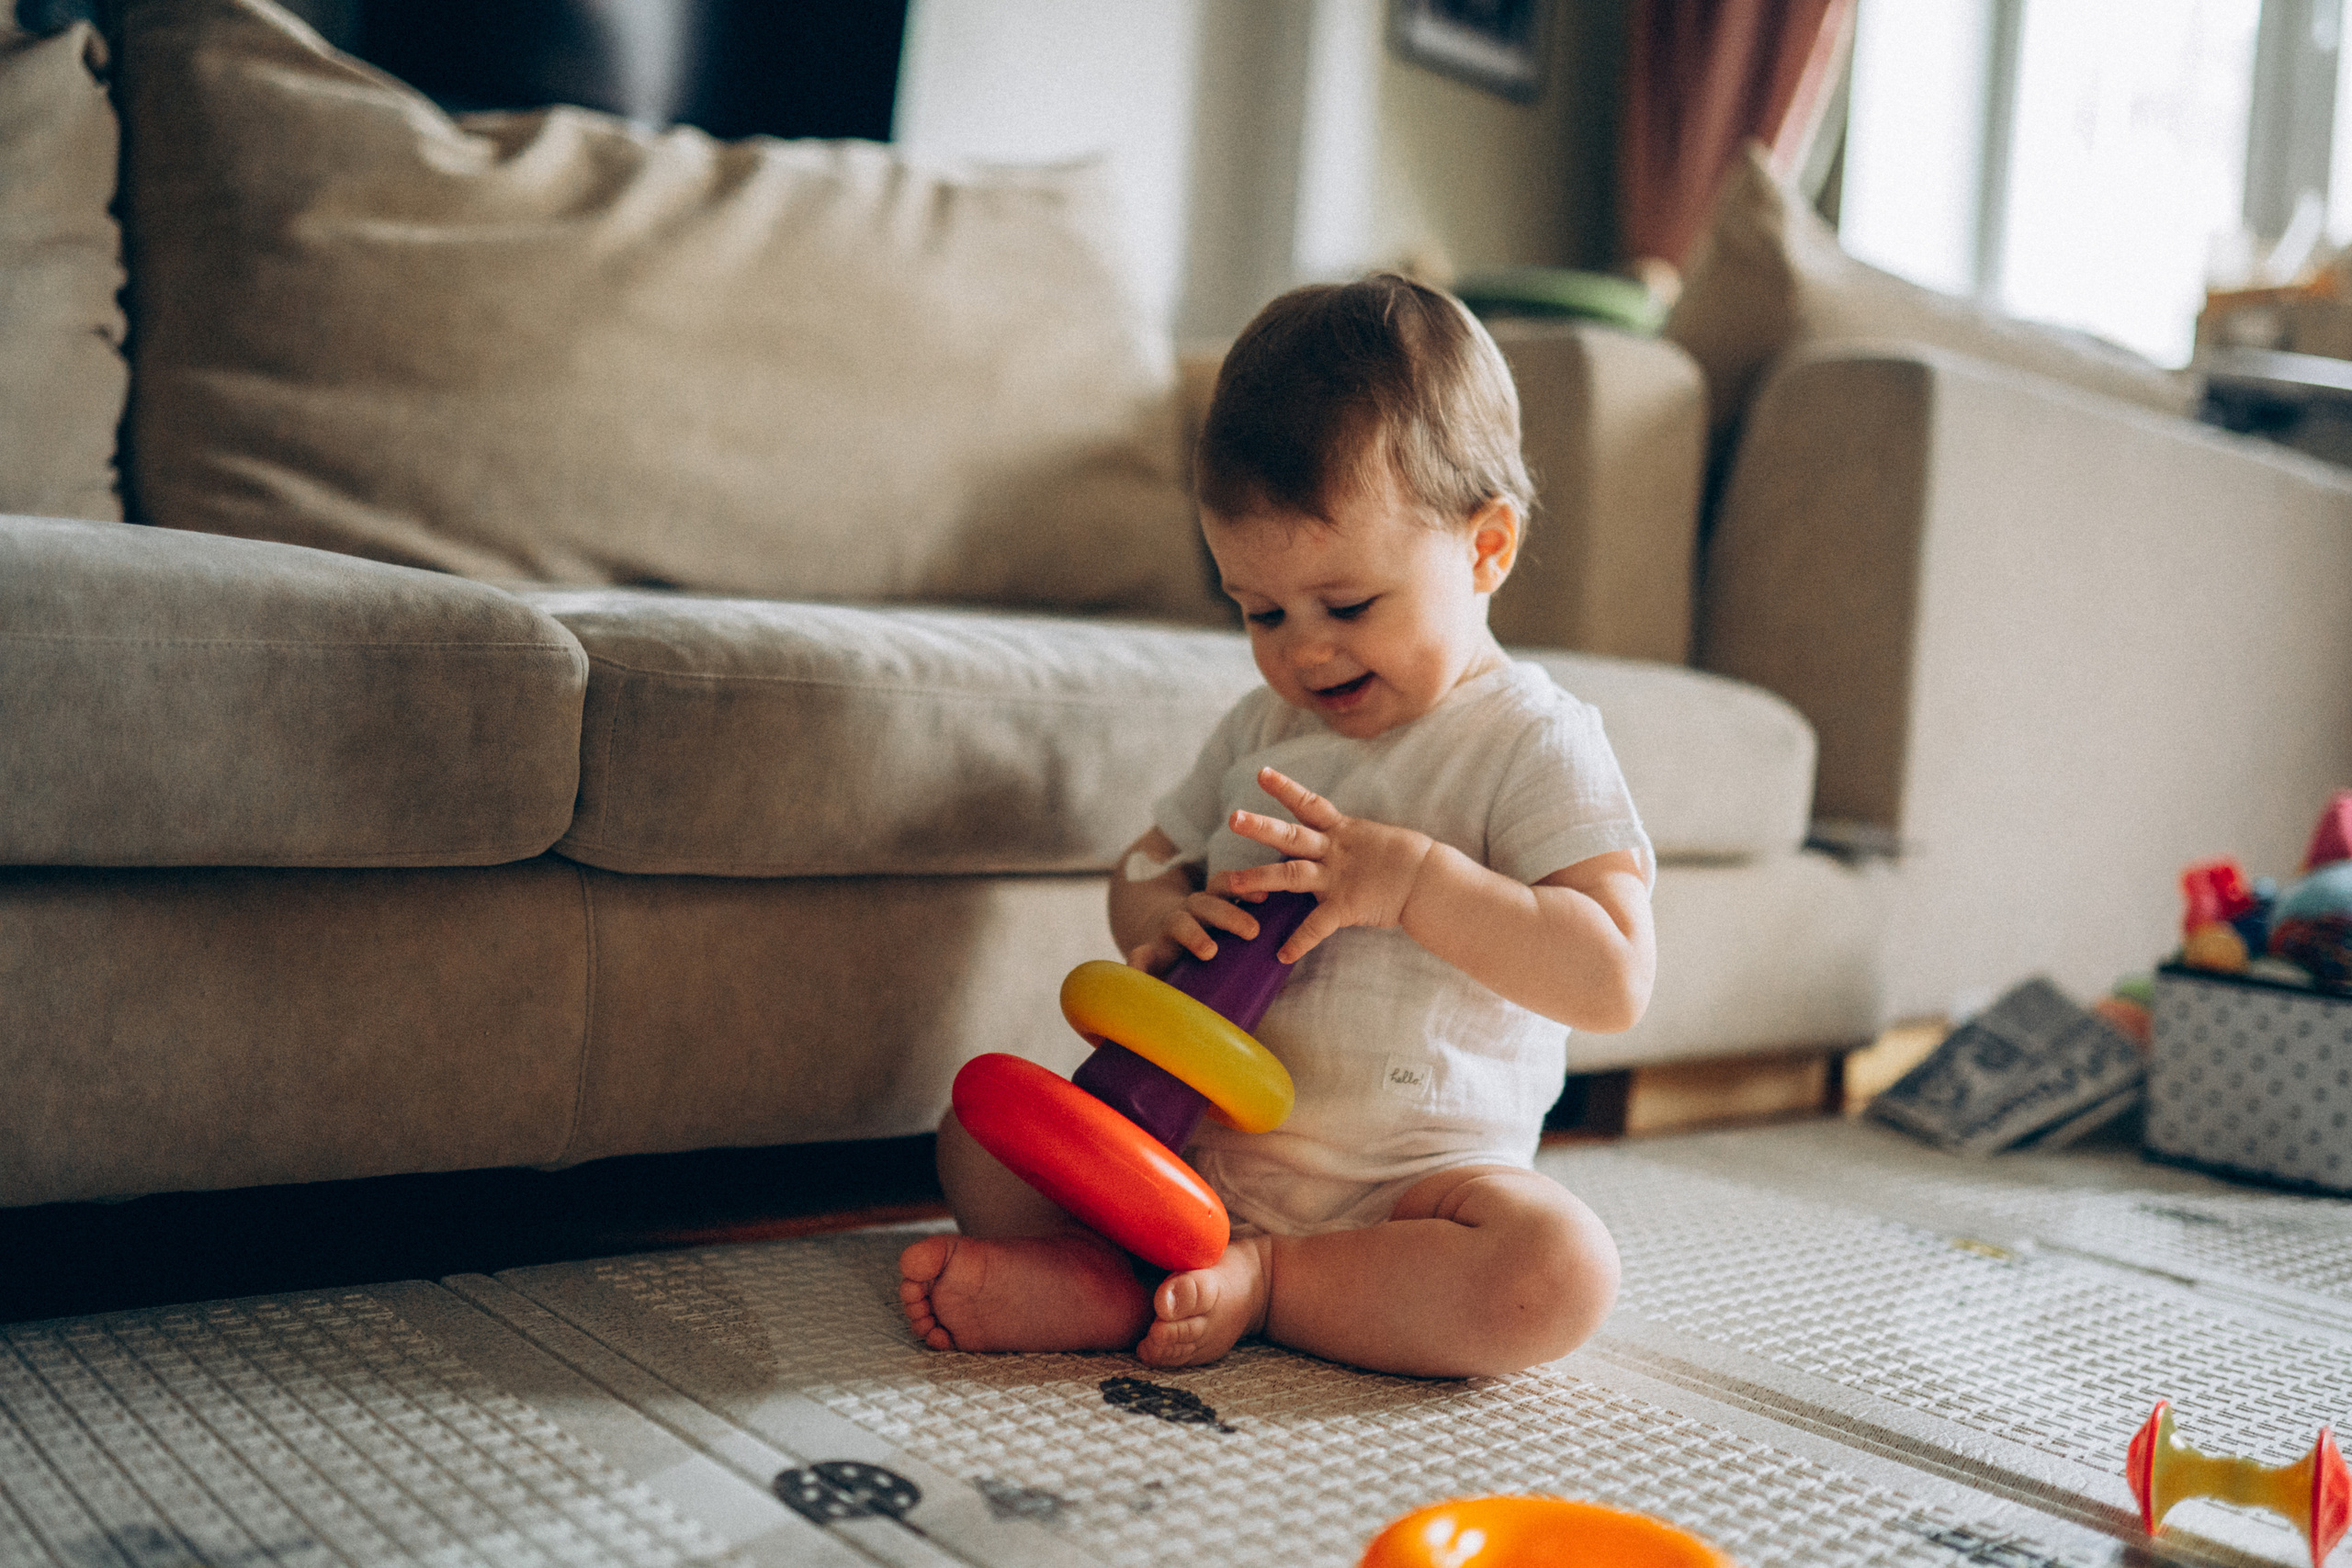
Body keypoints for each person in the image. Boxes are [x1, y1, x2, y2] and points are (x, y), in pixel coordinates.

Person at [899, 275, 1655, 1380]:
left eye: (1347, 606)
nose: (1303, 650)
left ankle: (1269, 1285)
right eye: (1260, 612)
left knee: (1558, 1272)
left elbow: (1613, 977)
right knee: (978, 1136)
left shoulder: (1531, 740)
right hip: (1194, 1157)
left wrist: (1418, 886)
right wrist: (1155, 916)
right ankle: (1123, 1276)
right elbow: (1150, 859)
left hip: (1415, 1190)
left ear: (1486, 549)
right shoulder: (1264, 727)